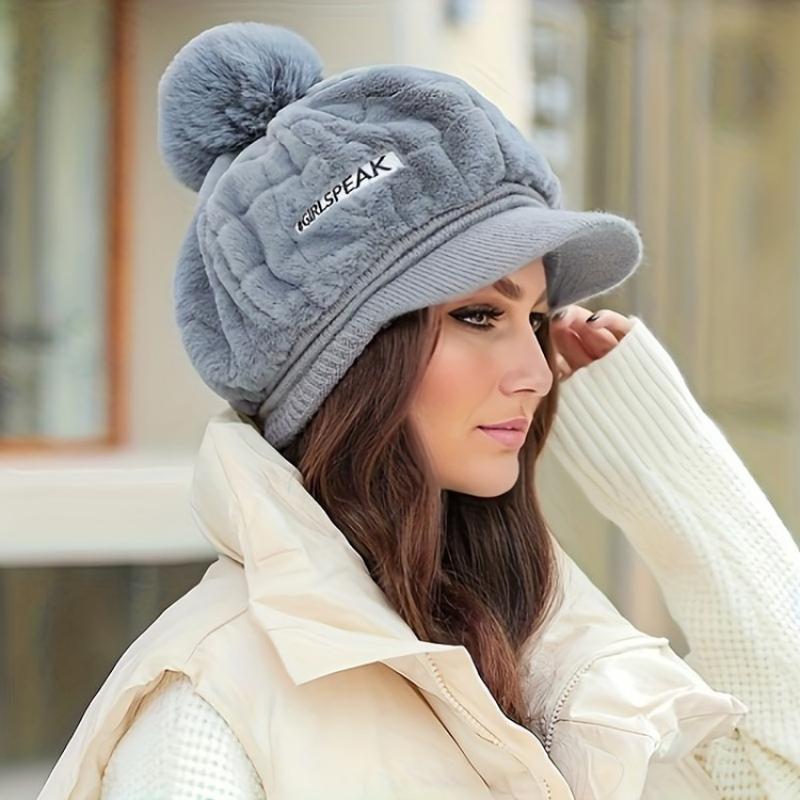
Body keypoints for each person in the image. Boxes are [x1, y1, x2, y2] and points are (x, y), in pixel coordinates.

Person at [37, 21, 800, 800]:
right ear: (348, 364)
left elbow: (775, 769)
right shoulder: (209, 710)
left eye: (538, 320)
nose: (538, 374)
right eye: (479, 315)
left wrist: (664, 465)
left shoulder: (540, 639)